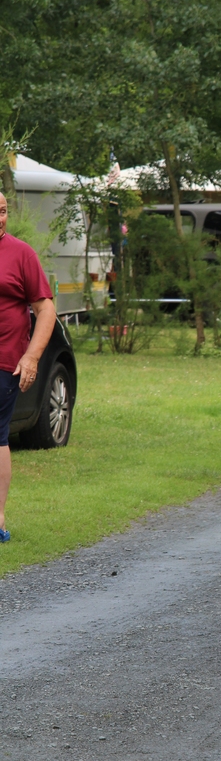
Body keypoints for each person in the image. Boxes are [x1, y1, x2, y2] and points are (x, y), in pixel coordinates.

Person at [0, 192, 57, 540]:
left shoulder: (21, 254)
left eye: (3, 211)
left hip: (4, 360)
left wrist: (32, 356)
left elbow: (45, 308)